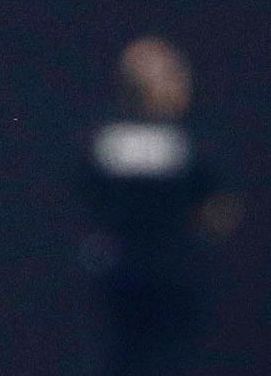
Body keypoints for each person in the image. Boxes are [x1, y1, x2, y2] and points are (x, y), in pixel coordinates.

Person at [81, 36, 238, 376]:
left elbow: (86, 199)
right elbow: (218, 208)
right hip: (163, 275)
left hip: (126, 273)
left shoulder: (105, 138)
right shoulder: (188, 142)